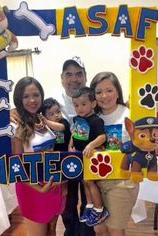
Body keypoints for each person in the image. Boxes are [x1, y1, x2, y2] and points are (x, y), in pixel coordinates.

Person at [90, 71, 158, 236]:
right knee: (100, 229)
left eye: (109, 90)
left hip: (123, 181)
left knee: (115, 229)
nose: (104, 96)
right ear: (93, 95)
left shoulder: (131, 115)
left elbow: (148, 142)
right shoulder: (92, 117)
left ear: (117, 91)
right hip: (98, 181)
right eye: (98, 92)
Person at [11, 76, 66, 236]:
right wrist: (38, 188)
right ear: (18, 99)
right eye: (26, 96)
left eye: (36, 95)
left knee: (51, 231)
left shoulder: (43, 119)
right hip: (33, 188)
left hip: (52, 184)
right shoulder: (16, 125)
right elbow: (17, 165)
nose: (32, 100)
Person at [59, 57, 95, 236]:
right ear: (62, 78)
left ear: (85, 76)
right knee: (68, 202)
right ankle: (70, 231)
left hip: (89, 161)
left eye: (79, 74)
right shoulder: (54, 103)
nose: (74, 79)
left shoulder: (94, 101)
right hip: (65, 163)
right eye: (69, 74)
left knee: (90, 198)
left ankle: (86, 231)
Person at [68, 87, 109, 227]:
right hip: (80, 155)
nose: (79, 108)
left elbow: (102, 137)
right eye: (76, 105)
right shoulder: (77, 119)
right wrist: (70, 147)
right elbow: (74, 134)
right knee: (84, 182)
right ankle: (90, 206)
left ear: (93, 104)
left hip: (91, 156)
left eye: (83, 104)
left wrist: (91, 145)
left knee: (90, 182)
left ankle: (99, 209)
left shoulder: (96, 121)